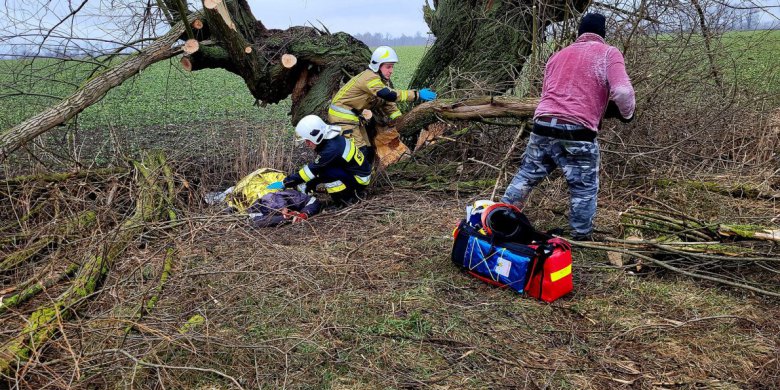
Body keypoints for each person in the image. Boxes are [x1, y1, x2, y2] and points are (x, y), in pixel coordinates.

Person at [501, 13, 635, 241]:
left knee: (525, 176)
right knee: (583, 190)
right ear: (602, 34)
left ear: (579, 33)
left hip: (542, 124)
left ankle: (500, 220)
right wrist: (627, 114)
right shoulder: (608, 53)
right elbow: (622, 92)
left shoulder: (558, 55)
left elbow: (547, 93)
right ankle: (581, 238)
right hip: (577, 131)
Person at [328, 45, 438, 162]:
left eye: (392, 67)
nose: (391, 70)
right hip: (342, 118)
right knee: (359, 153)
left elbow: (386, 102)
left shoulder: (379, 80)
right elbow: (389, 95)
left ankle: (366, 176)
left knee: (369, 151)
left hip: (353, 118)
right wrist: (417, 94)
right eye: (388, 67)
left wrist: (398, 119)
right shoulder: (370, 78)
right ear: (377, 66)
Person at [281, 115, 372, 207]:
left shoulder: (331, 150)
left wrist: (286, 182)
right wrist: (311, 184)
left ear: (316, 135)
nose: (307, 144)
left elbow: (311, 170)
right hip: (358, 175)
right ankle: (347, 195)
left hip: (359, 181)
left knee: (327, 173)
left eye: (308, 141)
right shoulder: (331, 140)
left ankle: (344, 201)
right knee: (324, 170)